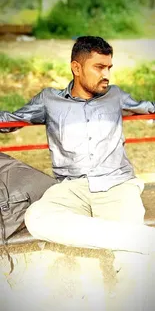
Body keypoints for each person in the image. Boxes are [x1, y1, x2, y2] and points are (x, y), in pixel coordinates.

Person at [0, 36, 155, 256]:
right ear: (76, 67)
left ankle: (129, 240)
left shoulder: (115, 95)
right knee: (37, 218)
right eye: (99, 67)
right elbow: (10, 120)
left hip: (117, 184)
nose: (107, 75)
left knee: (127, 260)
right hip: (71, 187)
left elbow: (148, 108)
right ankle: (137, 237)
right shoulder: (49, 100)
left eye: (109, 67)